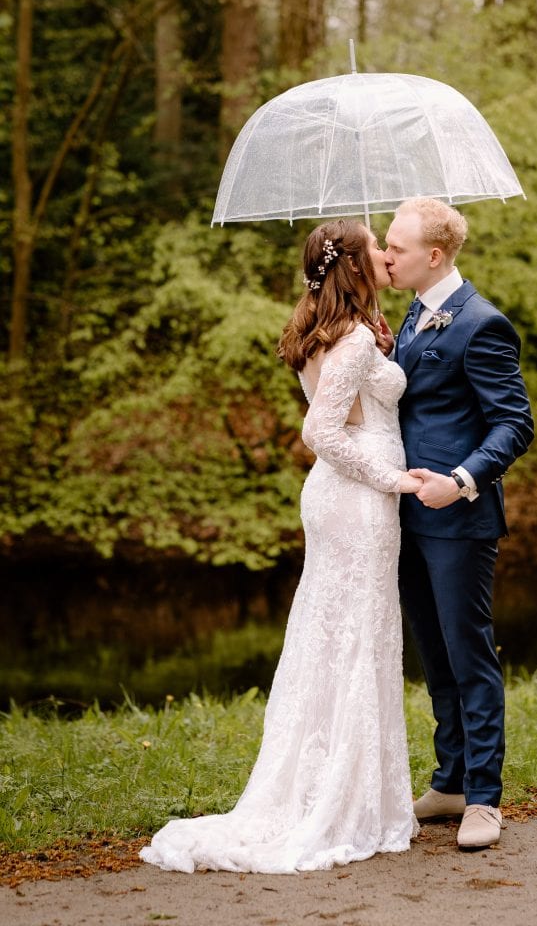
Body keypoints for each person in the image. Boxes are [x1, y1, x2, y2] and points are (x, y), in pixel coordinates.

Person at [140, 219, 420, 875]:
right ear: (353, 265)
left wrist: (380, 346)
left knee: (337, 638)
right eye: (375, 245)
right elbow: (322, 430)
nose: (385, 253)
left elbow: (350, 401)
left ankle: (343, 789)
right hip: (356, 494)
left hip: (335, 498)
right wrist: (392, 479)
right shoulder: (349, 340)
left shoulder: (332, 333)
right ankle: (342, 802)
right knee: (354, 638)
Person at [384, 197, 534, 850]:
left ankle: (482, 798)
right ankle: (447, 781)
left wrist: (463, 480)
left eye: (397, 246)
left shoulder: (481, 323)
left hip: (458, 518)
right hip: (403, 514)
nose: (386, 255)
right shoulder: (409, 317)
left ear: (435, 255)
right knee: (434, 655)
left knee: (468, 655)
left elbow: (514, 423)